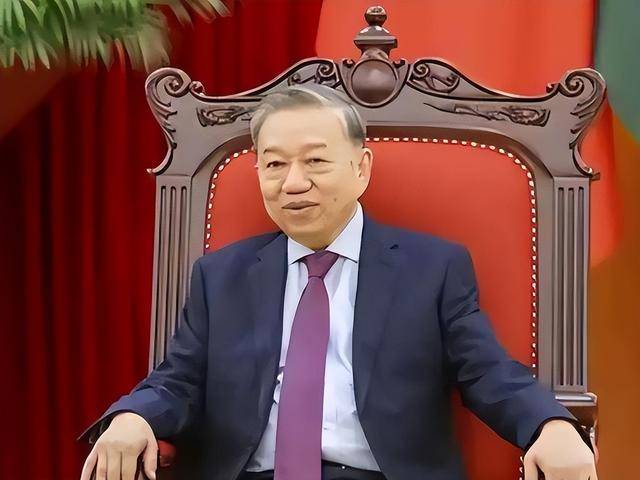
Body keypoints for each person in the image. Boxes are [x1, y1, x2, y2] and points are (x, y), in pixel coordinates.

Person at [80, 85, 597, 480]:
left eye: (315, 161)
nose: (293, 182)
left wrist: (549, 425)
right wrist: (132, 417)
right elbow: (179, 380)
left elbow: (488, 372)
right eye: (274, 164)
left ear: (361, 167)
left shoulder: (431, 268)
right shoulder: (221, 276)